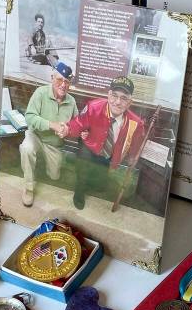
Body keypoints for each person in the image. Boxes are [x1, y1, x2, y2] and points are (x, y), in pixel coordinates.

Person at [62, 76, 145, 210]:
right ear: (108, 95)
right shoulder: (93, 107)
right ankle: (79, 191)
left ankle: (87, 175)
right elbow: (78, 123)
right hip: (89, 145)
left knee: (100, 184)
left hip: (109, 153)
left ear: (130, 102)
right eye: (114, 95)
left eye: (124, 98)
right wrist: (67, 129)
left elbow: (136, 143)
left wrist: (132, 157)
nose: (117, 102)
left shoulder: (136, 123)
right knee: (83, 171)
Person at [18, 62, 77, 207]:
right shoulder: (41, 93)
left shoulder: (72, 101)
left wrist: (68, 130)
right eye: (59, 80)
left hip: (54, 144)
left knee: (54, 176)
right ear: (52, 78)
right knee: (26, 148)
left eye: (67, 81)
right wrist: (52, 125)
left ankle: (41, 164)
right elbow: (29, 117)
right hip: (36, 136)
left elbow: (76, 125)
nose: (63, 85)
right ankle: (29, 187)